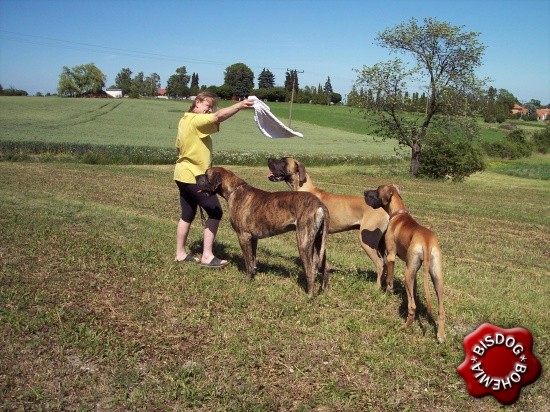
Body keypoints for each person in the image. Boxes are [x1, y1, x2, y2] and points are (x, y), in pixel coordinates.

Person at [174, 91, 255, 267]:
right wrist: (240, 105)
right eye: (207, 105)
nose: (210, 110)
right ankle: (207, 256)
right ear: (197, 102)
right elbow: (218, 117)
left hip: (181, 174)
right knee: (215, 211)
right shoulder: (196, 120)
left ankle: (180, 254)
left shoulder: (184, 119)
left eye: (212, 107)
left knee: (187, 213)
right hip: (194, 175)